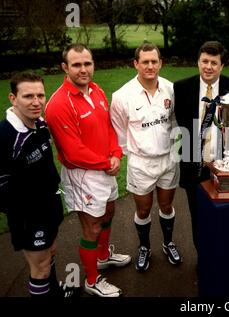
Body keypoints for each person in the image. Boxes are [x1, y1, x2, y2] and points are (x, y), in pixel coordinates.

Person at [45, 44, 131, 297]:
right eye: (76, 65)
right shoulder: (58, 104)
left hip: (106, 166)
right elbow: (73, 152)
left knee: (109, 211)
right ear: (65, 68)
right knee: (92, 227)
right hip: (83, 174)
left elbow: (108, 127)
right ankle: (92, 280)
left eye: (87, 64)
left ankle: (103, 256)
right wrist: (108, 163)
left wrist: (116, 153)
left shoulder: (96, 90)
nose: (83, 70)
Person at [0, 72, 78, 297]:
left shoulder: (41, 124)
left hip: (49, 206)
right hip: (29, 216)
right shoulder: (5, 136)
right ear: (13, 98)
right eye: (28, 96)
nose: (36, 102)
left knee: (50, 253)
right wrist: (23, 211)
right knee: (40, 268)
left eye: (40, 95)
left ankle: (54, 292)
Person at [110, 43, 182, 271]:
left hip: (168, 161)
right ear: (136, 64)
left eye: (154, 61)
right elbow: (119, 131)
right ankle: (144, 246)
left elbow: (175, 123)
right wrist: (131, 153)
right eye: (145, 62)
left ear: (160, 63)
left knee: (167, 205)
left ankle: (168, 243)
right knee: (142, 210)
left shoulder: (171, 89)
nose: (150, 66)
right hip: (141, 163)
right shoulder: (122, 96)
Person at [174, 41, 229, 251]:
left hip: (226, 164)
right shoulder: (181, 88)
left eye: (214, 62)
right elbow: (182, 124)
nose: (208, 66)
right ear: (198, 62)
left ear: (221, 65)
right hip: (193, 164)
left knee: (226, 213)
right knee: (197, 215)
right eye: (204, 61)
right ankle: (203, 256)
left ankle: (223, 254)